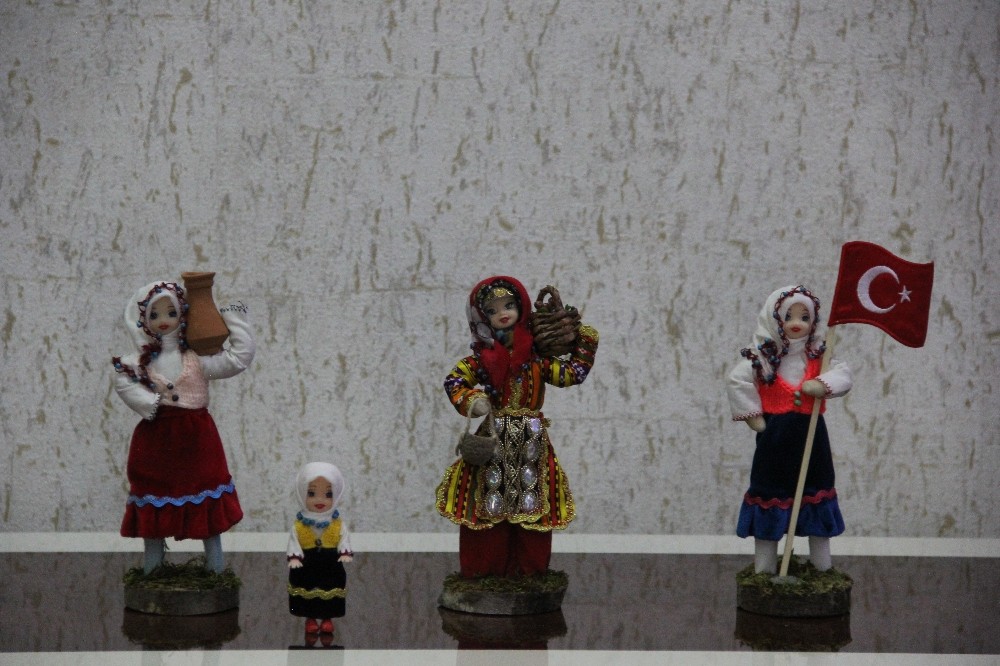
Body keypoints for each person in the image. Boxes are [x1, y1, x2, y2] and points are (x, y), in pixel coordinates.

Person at [436, 276, 599, 578]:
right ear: (482, 317)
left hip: (531, 443)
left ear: (521, 308)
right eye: (492, 309)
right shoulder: (481, 360)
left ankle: (528, 571)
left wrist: (584, 341)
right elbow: (454, 381)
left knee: (531, 501)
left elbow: (571, 374)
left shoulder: (536, 360)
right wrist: (472, 400)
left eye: (509, 305)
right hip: (493, 440)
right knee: (488, 503)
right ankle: (485, 570)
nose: (503, 313)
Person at [112, 280, 254, 573]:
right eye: (154, 314)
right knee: (154, 499)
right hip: (155, 442)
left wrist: (234, 320)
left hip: (198, 442)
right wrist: (148, 402)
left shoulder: (197, 359)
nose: (163, 320)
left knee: (205, 498)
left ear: (183, 313)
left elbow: (238, 360)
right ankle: (153, 569)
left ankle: (215, 568)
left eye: (171, 312)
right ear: (142, 319)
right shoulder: (138, 362)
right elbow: (122, 381)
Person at [727, 285, 852, 574]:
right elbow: (736, 380)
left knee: (816, 489)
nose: (797, 323)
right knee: (769, 491)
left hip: (812, 437)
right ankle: (765, 567)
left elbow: (843, 374)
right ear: (774, 319)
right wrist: (752, 415)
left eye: (805, 317)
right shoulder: (762, 358)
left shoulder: (818, 355)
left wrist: (823, 384)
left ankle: (822, 565)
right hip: (774, 438)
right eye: (788, 316)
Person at [287, 462, 353, 635]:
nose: (319, 500)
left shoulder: (337, 523)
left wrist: (344, 552)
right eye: (312, 493)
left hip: (331, 564)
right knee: (306, 590)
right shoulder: (299, 525)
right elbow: (294, 541)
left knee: (329, 590)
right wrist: (295, 556)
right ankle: (310, 619)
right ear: (302, 493)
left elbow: (344, 538)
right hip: (306, 564)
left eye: (328, 494)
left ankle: (327, 619)